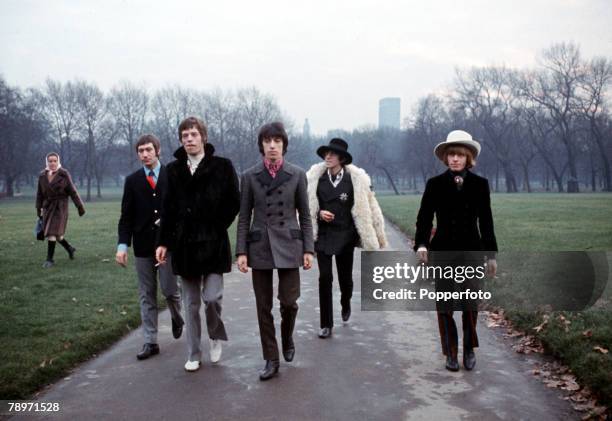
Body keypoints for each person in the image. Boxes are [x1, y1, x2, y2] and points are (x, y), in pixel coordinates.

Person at [156, 117, 240, 372]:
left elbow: (233, 202)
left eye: (193, 134)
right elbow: (166, 208)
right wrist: (163, 243)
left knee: (212, 298)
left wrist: (215, 225)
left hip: (213, 243)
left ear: (203, 137)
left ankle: (215, 335)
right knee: (190, 303)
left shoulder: (223, 166)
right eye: (185, 135)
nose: (189, 139)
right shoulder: (172, 170)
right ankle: (193, 353)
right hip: (184, 245)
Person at [236, 121, 314, 381]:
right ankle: (271, 358)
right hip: (260, 246)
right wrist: (241, 252)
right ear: (261, 145)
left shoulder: (297, 175)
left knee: (289, 302)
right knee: (263, 306)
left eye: (277, 141)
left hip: (290, 245)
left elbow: (305, 215)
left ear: (284, 145)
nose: (272, 146)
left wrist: (308, 249)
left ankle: (287, 336)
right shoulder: (249, 176)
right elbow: (244, 217)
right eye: (268, 141)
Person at [414, 130, 498, 372]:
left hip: (471, 251)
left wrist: (490, 255)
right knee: (445, 305)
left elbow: (487, 221)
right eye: (451, 154)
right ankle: (450, 351)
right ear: (446, 158)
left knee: (471, 304)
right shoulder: (435, 184)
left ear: (468, 158)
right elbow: (424, 218)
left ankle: (469, 348)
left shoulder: (480, 185)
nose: (455, 159)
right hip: (443, 252)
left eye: (460, 155)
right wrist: (421, 244)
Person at [306, 138, 387, 338]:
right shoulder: (316, 180)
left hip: (345, 236)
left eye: (332, 154)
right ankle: (326, 324)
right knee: (325, 278)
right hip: (323, 236)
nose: (328, 157)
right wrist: (318, 215)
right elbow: (307, 206)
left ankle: (346, 301)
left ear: (341, 158)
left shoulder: (355, 181)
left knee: (345, 278)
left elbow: (369, 207)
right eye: (326, 153)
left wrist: (376, 233)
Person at [116, 134, 184, 361]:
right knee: (147, 294)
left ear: (157, 150)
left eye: (148, 149)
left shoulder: (172, 176)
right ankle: (150, 341)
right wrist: (122, 246)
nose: (145, 154)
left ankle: (177, 316)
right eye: (141, 151)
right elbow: (126, 217)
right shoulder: (132, 181)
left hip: (168, 246)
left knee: (169, 290)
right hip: (143, 247)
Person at [36, 152, 85, 268]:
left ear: (58, 161)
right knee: (58, 236)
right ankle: (70, 248)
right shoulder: (42, 175)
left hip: (60, 207)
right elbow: (39, 194)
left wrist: (80, 206)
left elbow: (72, 191)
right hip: (48, 207)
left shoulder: (64, 174)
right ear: (46, 162)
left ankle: (49, 260)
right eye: (50, 161)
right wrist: (39, 208)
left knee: (51, 233)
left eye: (54, 161)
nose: (52, 163)